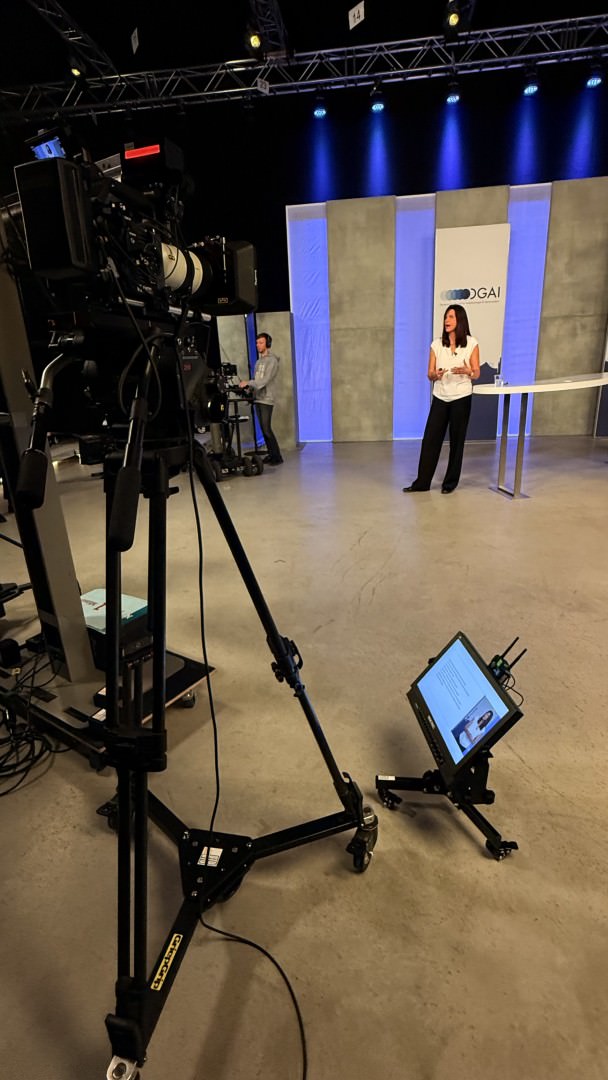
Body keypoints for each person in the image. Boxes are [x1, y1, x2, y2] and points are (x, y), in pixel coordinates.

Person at [403, 304, 480, 494]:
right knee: (430, 440)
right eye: (446, 317)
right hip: (440, 396)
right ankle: (422, 483)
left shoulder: (471, 343)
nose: (447, 320)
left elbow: (476, 373)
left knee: (456, 442)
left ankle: (449, 483)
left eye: (451, 317)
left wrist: (467, 371)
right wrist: (435, 375)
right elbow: (429, 373)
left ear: (460, 320)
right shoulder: (436, 345)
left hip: (461, 397)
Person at [240, 332, 283, 465]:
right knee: (264, 431)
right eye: (257, 343)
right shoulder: (258, 362)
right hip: (258, 398)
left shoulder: (272, 361)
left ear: (267, 344)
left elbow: (264, 381)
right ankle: (271, 454)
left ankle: (277, 457)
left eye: (261, 343)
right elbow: (257, 381)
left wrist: (248, 382)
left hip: (267, 399)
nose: (258, 345)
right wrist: (249, 389)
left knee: (266, 429)